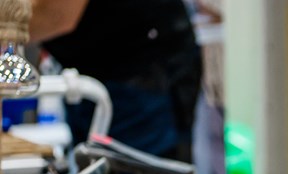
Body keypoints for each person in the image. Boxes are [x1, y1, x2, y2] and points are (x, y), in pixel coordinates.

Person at [28, 0, 202, 162]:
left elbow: (56, 15)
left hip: (139, 74)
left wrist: (14, 28)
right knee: (91, 172)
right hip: (93, 65)